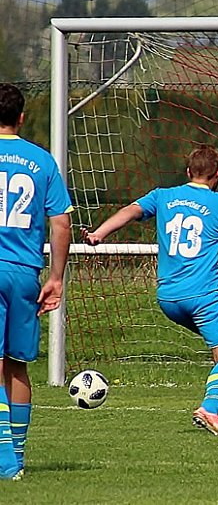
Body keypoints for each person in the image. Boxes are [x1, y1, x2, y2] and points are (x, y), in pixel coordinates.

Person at [82, 145, 218, 436]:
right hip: (205, 295)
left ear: (188, 172)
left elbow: (130, 211)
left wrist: (98, 234)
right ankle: (210, 408)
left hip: (169, 298)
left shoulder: (163, 196)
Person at [0, 83, 73, 479]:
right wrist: (57, 277)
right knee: (17, 367)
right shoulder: (41, 160)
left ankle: (5, 461)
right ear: (22, 117)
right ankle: (18, 458)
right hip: (25, 273)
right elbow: (60, 222)